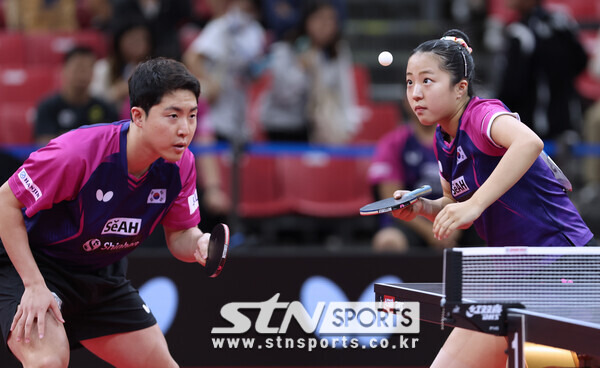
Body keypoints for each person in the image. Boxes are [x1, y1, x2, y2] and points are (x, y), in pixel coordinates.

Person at [393, 29, 594, 367]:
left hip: (558, 264)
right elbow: (455, 206)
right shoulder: (443, 139)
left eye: (428, 81)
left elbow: (529, 143)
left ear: (461, 88)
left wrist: (474, 203)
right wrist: (424, 208)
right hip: (512, 278)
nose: (416, 93)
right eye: (410, 82)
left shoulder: (482, 115)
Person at [0, 57, 213, 367]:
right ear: (138, 116)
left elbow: (180, 234)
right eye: (172, 116)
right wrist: (33, 285)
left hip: (100, 276)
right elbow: (5, 203)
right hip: (35, 267)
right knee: (47, 362)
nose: (185, 129)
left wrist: (198, 244)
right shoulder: (77, 153)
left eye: (192, 116)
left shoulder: (181, 165)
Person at [259, 0, 360, 143]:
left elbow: (345, 91)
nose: (325, 25)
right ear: (306, 20)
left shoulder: (338, 51)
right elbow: (283, 95)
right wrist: (301, 68)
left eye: (330, 19)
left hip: (316, 128)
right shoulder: (285, 49)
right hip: (282, 127)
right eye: (319, 18)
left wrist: (348, 126)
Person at [495, 0, 588, 142]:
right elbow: (582, 61)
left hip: (532, 128)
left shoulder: (520, 32)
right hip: (566, 123)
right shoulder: (562, 22)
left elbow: (512, 87)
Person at [183, 0, 266, 143]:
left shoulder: (256, 31)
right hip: (218, 112)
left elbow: (257, 72)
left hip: (243, 112)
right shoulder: (220, 26)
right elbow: (192, 58)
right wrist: (209, 82)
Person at [35, 46, 119, 145]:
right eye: (78, 67)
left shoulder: (105, 108)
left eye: (87, 68)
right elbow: (44, 143)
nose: (82, 74)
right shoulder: (48, 107)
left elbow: (113, 143)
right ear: (64, 70)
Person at [90, 19, 154, 119]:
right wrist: (116, 92)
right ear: (120, 41)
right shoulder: (103, 67)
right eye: (132, 39)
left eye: (142, 39)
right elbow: (93, 100)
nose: (138, 44)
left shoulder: (155, 69)